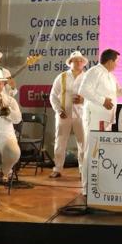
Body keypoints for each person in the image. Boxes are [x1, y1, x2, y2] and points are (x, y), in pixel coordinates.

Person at [78, 48, 122, 193]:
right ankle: (87, 188)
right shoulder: (95, 71)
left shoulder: (110, 76)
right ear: (110, 61)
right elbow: (83, 90)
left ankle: (98, 183)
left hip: (107, 119)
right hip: (96, 118)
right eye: (116, 61)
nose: (117, 64)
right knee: (91, 151)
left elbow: (119, 93)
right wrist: (102, 100)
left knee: (101, 152)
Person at [48, 50, 88, 179]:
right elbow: (53, 96)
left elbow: (93, 97)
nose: (78, 62)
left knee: (83, 143)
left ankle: (83, 170)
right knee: (60, 141)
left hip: (82, 115)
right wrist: (58, 110)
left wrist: (84, 100)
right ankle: (58, 168)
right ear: (70, 63)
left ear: (84, 63)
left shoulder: (87, 77)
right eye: (75, 60)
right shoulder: (62, 77)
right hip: (63, 114)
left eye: (80, 60)